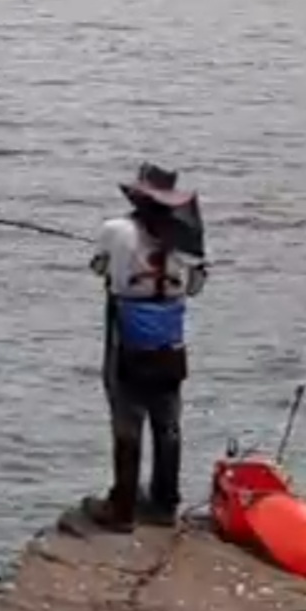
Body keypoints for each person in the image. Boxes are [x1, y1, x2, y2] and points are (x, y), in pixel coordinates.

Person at [82, 162, 208, 533]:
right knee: (168, 423)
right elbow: (195, 287)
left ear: (138, 197)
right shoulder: (187, 242)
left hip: (127, 336)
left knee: (127, 419)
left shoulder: (115, 229)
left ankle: (122, 509)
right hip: (170, 341)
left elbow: (98, 268)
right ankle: (165, 504)